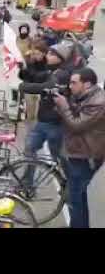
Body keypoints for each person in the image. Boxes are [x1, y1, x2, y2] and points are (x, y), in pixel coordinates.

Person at [54, 68, 105, 228]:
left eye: (74, 83)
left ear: (88, 84)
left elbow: (76, 125)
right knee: (77, 195)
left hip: (87, 156)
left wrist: (63, 106)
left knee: (74, 197)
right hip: (80, 152)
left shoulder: (98, 102)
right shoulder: (84, 96)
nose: (70, 86)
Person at [19, 43, 75, 176]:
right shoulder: (51, 70)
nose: (47, 56)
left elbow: (46, 86)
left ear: (60, 58)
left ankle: (71, 183)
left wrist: (24, 86)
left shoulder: (62, 74)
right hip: (43, 120)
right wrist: (27, 66)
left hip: (54, 122)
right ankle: (27, 185)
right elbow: (36, 77)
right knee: (30, 150)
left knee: (59, 157)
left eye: (51, 54)